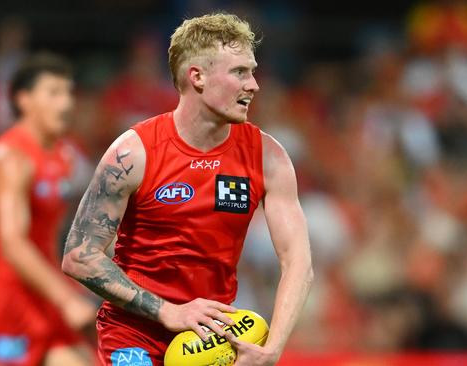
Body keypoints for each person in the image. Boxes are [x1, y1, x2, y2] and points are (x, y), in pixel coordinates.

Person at [62, 13, 313, 366]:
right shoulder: (133, 153)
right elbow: (79, 256)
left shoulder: (268, 157)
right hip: (133, 334)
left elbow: (298, 261)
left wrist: (271, 350)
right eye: (240, 72)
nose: (254, 84)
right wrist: (168, 311)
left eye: (252, 71)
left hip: (211, 340)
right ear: (197, 76)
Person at [0, 52, 97, 366]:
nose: (65, 103)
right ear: (23, 100)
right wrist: (66, 298)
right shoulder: (11, 159)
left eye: (68, 93)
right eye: (53, 93)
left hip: (44, 293)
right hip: (6, 301)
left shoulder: (63, 155)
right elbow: (12, 242)